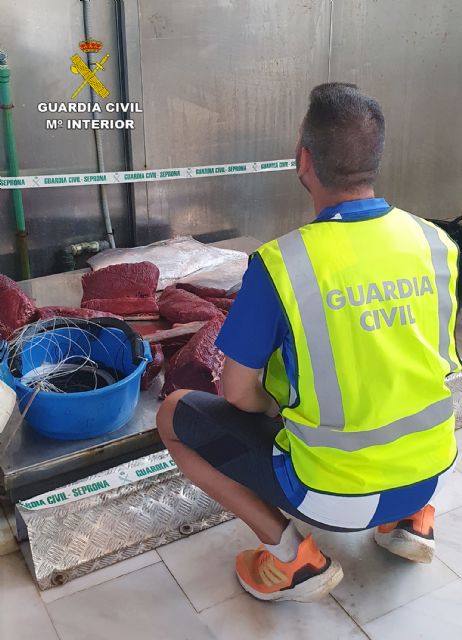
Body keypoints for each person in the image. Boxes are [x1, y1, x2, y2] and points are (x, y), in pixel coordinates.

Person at [157, 83, 460, 603]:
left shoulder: (282, 265)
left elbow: (236, 393)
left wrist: (277, 405)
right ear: (375, 160)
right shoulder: (436, 242)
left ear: (303, 159)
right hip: (430, 474)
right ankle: (412, 521)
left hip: (330, 498)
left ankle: (292, 557)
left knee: (173, 415)